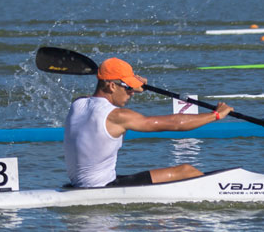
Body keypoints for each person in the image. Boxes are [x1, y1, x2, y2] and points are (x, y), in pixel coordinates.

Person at [63, 57, 232, 188]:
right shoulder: (117, 116)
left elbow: (102, 93)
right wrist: (215, 115)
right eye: (128, 88)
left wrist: (131, 83)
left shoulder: (78, 103)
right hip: (103, 188)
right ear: (112, 86)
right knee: (186, 171)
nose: (132, 93)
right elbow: (174, 124)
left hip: (83, 184)